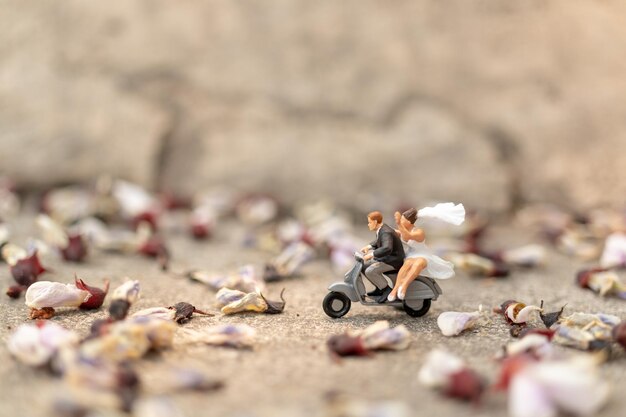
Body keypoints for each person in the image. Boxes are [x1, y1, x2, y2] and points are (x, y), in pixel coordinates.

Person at [387, 208, 455, 302]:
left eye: (403, 220)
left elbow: (407, 236)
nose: (401, 222)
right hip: (411, 254)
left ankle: (404, 286)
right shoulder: (403, 231)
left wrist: (398, 223)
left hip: (423, 254)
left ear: (410, 222)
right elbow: (393, 232)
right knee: (406, 265)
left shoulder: (419, 232)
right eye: (401, 220)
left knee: (418, 264)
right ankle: (395, 290)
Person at [360, 211, 405, 303]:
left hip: (393, 260)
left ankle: (386, 290)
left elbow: (387, 248)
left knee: (370, 271)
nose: (368, 225)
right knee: (364, 266)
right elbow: (379, 241)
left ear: (375, 222)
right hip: (388, 258)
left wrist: (371, 254)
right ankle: (379, 288)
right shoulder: (382, 229)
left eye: (369, 222)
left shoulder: (385, 232)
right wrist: (369, 247)